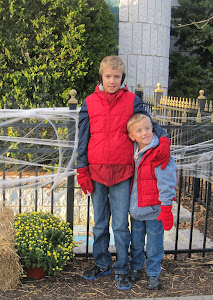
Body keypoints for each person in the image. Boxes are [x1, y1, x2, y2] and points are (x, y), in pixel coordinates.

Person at [76, 55, 171, 290]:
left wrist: (164, 138)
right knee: (99, 223)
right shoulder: (89, 102)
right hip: (97, 170)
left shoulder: (132, 101)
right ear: (101, 77)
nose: (112, 81)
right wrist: (81, 168)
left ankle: (122, 268)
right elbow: (83, 136)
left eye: (116, 77)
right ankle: (101, 263)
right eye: (108, 76)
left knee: (120, 224)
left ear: (122, 78)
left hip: (122, 172)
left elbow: (147, 123)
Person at [126, 113, 177, 290]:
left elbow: (166, 181)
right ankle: (137, 267)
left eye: (147, 128)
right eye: (139, 130)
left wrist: (166, 207)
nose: (145, 133)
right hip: (137, 210)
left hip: (155, 210)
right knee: (137, 243)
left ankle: (153, 273)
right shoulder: (133, 152)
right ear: (132, 136)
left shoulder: (160, 153)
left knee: (155, 245)